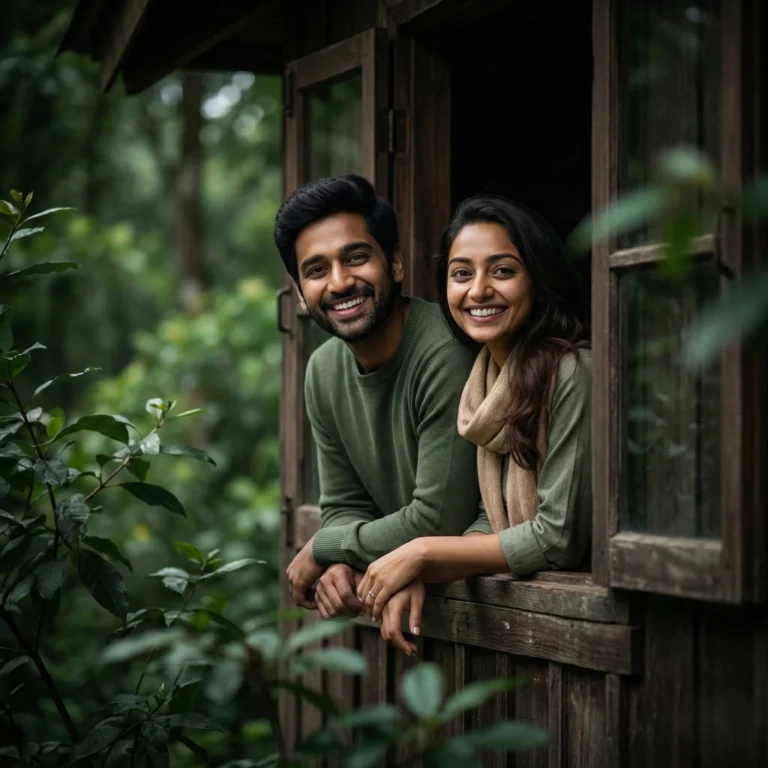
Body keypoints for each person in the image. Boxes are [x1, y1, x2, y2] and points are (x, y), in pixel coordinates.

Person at [356, 195, 592, 655]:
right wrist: (426, 570)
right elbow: (490, 516)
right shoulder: (485, 382)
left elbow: (556, 537)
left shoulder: (572, 371)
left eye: (502, 271)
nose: (479, 290)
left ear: (538, 277)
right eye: (461, 274)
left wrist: (422, 554)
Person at [272, 173, 481, 619]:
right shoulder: (323, 371)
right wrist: (343, 560)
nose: (339, 282)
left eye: (356, 258)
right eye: (316, 270)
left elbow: (439, 520)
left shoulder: (445, 352)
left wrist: (327, 547)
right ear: (301, 295)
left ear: (396, 263)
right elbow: (344, 505)